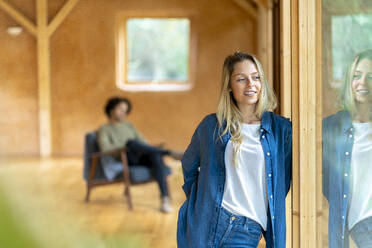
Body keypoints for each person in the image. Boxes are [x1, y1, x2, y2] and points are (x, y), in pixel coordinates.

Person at [177, 51, 292, 248]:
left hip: (246, 229)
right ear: (229, 86)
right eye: (241, 79)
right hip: (206, 224)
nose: (251, 84)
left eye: (256, 77)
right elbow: (189, 165)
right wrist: (200, 202)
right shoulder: (211, 125)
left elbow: (283, 181)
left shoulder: (280, 129)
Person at [97, 96, 183, 213]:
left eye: (125, 110)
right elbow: (105, 148)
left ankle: (165, 199)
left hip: (139, 156)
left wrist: (141, 147)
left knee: (154, 155)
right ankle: (169, 153)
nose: (124, 113)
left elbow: (143, 142)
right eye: (120, 109)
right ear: (111, 109)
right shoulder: (104, 129)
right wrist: (126, 147)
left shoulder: (128, 125)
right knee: (131, 142)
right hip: (125, 157)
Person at [322, 49, 372, 248]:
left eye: (370, 76)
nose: (363, 82)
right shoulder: (333, 127)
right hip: (363, 222)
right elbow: (327, 182)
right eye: (356, 76)